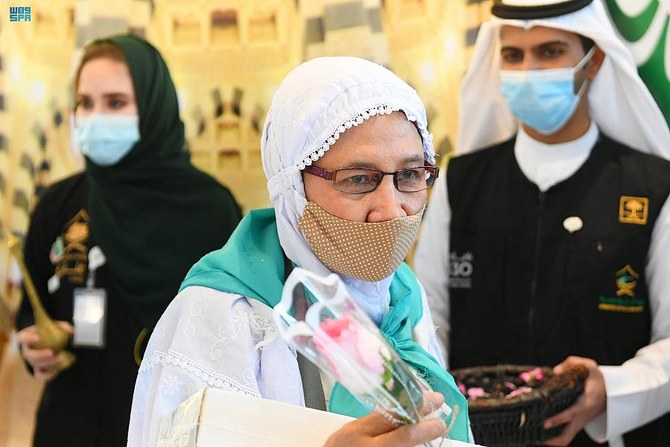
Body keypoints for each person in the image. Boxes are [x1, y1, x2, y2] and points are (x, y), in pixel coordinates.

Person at [127, 56, 473, 446]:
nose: (391, 209)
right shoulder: (226, 316)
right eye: (358, 179)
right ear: (293, 186)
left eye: (410, 175)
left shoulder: (402, 295)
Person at [414, 0, 670, 446]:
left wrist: (612, 388)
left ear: (594, 62)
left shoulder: (654, 187)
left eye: (550, 51)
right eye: (514, 55)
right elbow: (427, 317)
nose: (529, 69)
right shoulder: (461, 181)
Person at [15, 34, 242, 447]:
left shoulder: (209, 210)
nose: (95, 116)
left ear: (153, 107)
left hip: (168, 429)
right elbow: (31, 309)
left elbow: (234, 335)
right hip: (69, 424)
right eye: (85, 102)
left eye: (116, 102)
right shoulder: (58, 204)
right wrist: (33, 342)